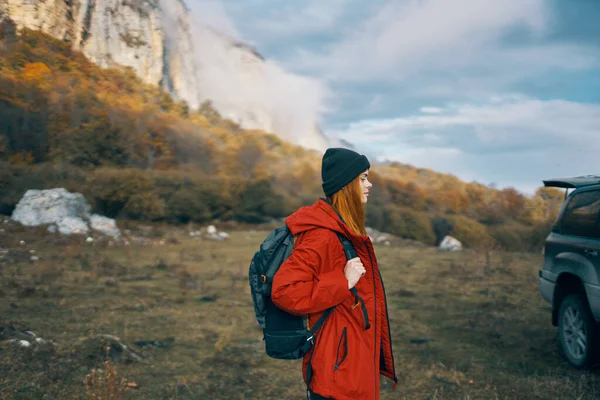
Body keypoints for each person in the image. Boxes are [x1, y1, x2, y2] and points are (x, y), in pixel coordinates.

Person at [271, 147, 398, 400]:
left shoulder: (341, 229)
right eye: (363, 178)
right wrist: (343, 281)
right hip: (337, 370)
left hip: (350, 364)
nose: (369, 184)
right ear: (345, 184)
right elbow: (284, 291)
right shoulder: (323, 235)